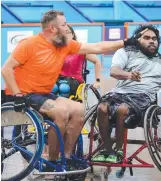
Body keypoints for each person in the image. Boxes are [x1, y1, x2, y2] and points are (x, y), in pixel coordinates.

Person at [1, 10, 145, 171]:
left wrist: (126, 42)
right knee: (61, 112)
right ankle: (53, 161)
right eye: (63, 25)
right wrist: (17, 94)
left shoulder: (64, 45)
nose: (67, 27)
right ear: (53, 28)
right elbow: (6, 69)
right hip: (23, 94)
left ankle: (67, 157)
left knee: (78, 109)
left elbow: (97, 47)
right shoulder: (29, 44)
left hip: (43, 94)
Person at [93, 25, 161, 163]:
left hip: (143, 99)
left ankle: (119, 151)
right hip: (119, 93)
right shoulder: (126, 52)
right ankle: (107, 149)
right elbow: (114, 71)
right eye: (147, 38)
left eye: (154, 39)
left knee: (122, 109)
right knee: (101, 107)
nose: (152, 41)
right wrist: (129, 75)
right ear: (137, 40)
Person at [60, 25, 101, 89]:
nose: (66, 35)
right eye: (63, 33)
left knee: (64, 88)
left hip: (75, 84)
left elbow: (97, 61)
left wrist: (97, 80)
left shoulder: (80, 49)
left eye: (68, 32)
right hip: (60, 82)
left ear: (73, 35)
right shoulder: (56, 50)